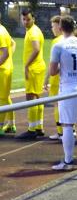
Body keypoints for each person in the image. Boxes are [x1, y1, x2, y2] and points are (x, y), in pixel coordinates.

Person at [48, 15, 77, 170]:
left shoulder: (59, 46)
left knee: (67, 125)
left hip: (68, 88)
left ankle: (67, 162)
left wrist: (63, 68)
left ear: (60, 28)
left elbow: (53, 71)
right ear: (74, 27)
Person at [16, 9, 46, 139]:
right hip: (38, 67)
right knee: (37, 98)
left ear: (33, 18)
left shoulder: (33, 32)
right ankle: (39, 127)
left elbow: (36, 49)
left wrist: (27, 65)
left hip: (34, 69)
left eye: (28, 19)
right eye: (24, 19)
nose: (26, 22)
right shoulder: (34, 30)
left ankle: (32, 129)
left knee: (31, 97)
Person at [0, 13, 16, 136]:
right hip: (6, 67)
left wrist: (7, 58)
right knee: (6, 97)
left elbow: (4, 53)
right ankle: (11, 124)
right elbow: (13, 43)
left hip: (2, 70)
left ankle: (0, 127)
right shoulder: (3, 28)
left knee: (2, 99)